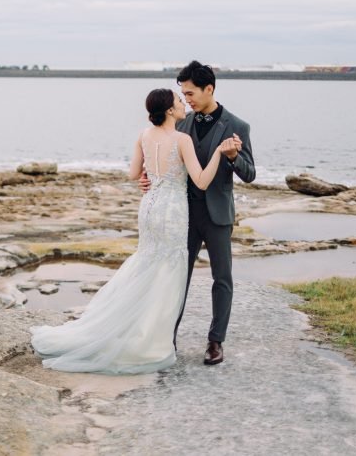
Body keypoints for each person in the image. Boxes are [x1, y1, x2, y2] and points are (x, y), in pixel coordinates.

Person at [30, 88, 238, 374]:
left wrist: (149, 178)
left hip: (149, 208)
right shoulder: (182, 139)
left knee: (147, 264)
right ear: (168, 110)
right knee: (168, 273)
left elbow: (133, 174)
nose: (182, 105)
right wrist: (217, 153)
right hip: (172, 212)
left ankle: (134, 329)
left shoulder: (143, 135)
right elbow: (201, 181)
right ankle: (152, 338)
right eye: (178, 102)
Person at [141, 60, 256, 366]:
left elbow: (250, 174)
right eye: (183, 95)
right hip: (183, 215)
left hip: (218, 215)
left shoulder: (237, 126)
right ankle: (168, 338)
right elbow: (167, 163)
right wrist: (149, 179)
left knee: (223, 279)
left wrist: (232, 157)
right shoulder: (180, 123)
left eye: (191, 93)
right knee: (178, 277)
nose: (187, 99)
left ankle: (216, 341)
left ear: (210, 89)